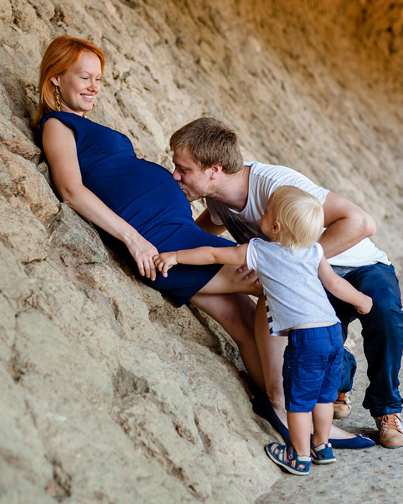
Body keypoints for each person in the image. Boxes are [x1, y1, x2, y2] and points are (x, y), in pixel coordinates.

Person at [32, 36, 265, 393]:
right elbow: (72, 191)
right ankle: (312, 412)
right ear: (55, 79)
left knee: (246, 325)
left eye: (98, 79)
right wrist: (134, 239)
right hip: (162, 240)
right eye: (84, 77)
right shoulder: (58, 125)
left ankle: (289, 415)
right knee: (276, 280)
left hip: (175, 231)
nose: (94, 86)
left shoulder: (86, 125)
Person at [169, 117, 403, 449]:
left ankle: (387, 411)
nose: (175, 175)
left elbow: (360, 222)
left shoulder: (274, 186)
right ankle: (342, 378)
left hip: (357, 264)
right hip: (312, 282)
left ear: (214, 170)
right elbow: (202, 235)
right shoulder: (218, 199)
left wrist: (292, 263)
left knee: (383, 310)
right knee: (314, 350)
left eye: (183, 169)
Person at [154, 186, 374, 475]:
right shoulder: (314, 250)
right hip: (332, 332)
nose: (262, 212)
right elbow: (334, 284)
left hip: (306, 338)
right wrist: (362, 300)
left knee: (297, 402)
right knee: (323, 397)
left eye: (266, 210)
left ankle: (299, 456)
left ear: (275, 226)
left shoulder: (259, 250)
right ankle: (322, 445)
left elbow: (212, 255)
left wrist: (176, 257)